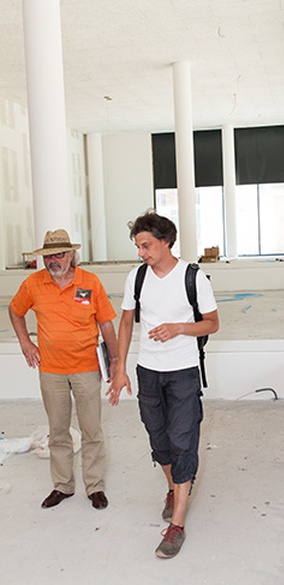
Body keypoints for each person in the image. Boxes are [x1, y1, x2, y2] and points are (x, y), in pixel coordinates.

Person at [107, 210, 219, 559]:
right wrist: (120, 369)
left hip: (183, 371)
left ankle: (177, 524)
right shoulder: (137, 277)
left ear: (166, 242)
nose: (141, 252)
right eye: (138, 246)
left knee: (183, 441)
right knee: (158, 439)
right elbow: (126, 323)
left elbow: (212, 323)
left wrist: (179, 328)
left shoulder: (192, 277)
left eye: (146, 245)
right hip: (148, 371)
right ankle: (173, 487)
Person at [9, 229, 118, 510]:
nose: (53, 261)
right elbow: (15, 310)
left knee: (92, 430)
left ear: (71, 255)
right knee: (58, 431)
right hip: (51, 371)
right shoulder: (33, 284)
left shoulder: (90, 282)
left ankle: (95, 486)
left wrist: (116, 360)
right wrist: (25, 342)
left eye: (58, 255)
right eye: (48, 256)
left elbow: (106, 323)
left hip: (86, 369)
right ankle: (63, 485)